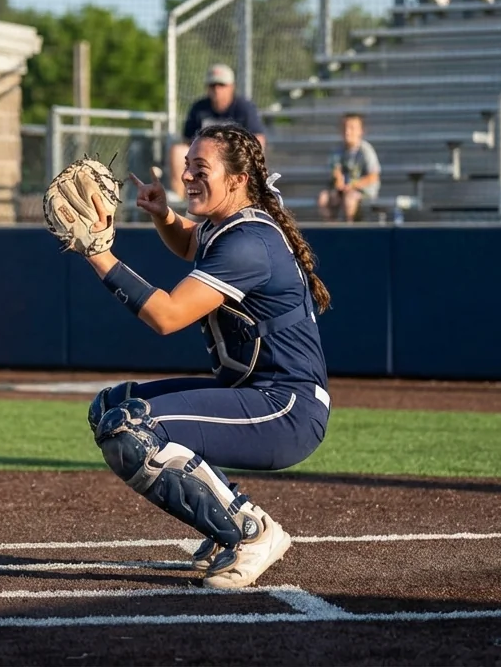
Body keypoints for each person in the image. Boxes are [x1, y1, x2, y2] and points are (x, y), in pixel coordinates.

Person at [47, 124, 332, 589]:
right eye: (187, 166)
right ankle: (225, 530)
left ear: (237, 180)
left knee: (131, 429)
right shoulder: (232, 225)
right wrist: (164, 215)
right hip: (254, 393)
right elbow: (189, 242)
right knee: (110, 408)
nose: (189, 177)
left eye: (202, 169)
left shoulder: (248, 243)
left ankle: (250, 533)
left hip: (286, 408)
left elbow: (167, 316)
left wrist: (98, 254)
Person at [170, 64, 265, 204]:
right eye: (212, 85)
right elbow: (187, 140)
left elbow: (258, 141)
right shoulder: (199, 108)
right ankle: (183, 201)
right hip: (203, 160)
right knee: (177, 151)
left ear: (232, 86)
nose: (216, 89)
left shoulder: (244, 108)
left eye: (221, 85)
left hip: (232, 161)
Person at [317, 113, 381, 223]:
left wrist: (353, 185)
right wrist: (339, 182)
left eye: (352, 128)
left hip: (362, 191)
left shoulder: (366, 150)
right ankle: (332, 227)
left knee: (349, 200)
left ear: (361, 131)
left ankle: (349, 227)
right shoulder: (338, 150)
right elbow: (336, 171)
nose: (348, 131)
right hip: (343, 189)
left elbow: (373, 176)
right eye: (345, 127)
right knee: (324, 199)